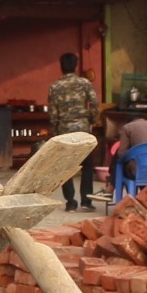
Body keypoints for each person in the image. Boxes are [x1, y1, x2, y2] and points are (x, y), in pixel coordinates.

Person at [47, 53, 99, 212]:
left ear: (61, 66)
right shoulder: (84, 83)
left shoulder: (55, 87)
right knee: (87, 166)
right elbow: (94, 103)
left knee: (65, 167)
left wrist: (55, 131)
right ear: (76, 66)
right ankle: (86, 201)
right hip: (83, 129)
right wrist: (91, 119)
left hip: (64, 130)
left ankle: (70, 202)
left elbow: (52, 113)